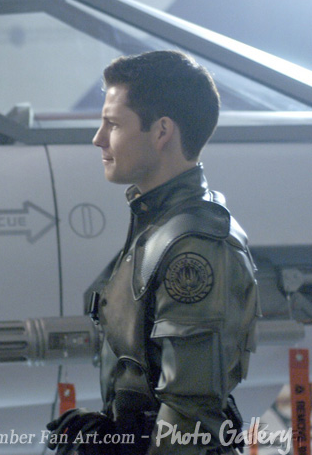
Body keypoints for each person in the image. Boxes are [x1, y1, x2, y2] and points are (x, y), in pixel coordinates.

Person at [46, 51, 259, 455]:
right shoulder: (161, 226)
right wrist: (116, 429)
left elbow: (190, 412)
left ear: (162, 131)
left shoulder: (195, 244)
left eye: (113, 124)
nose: (98, 138)